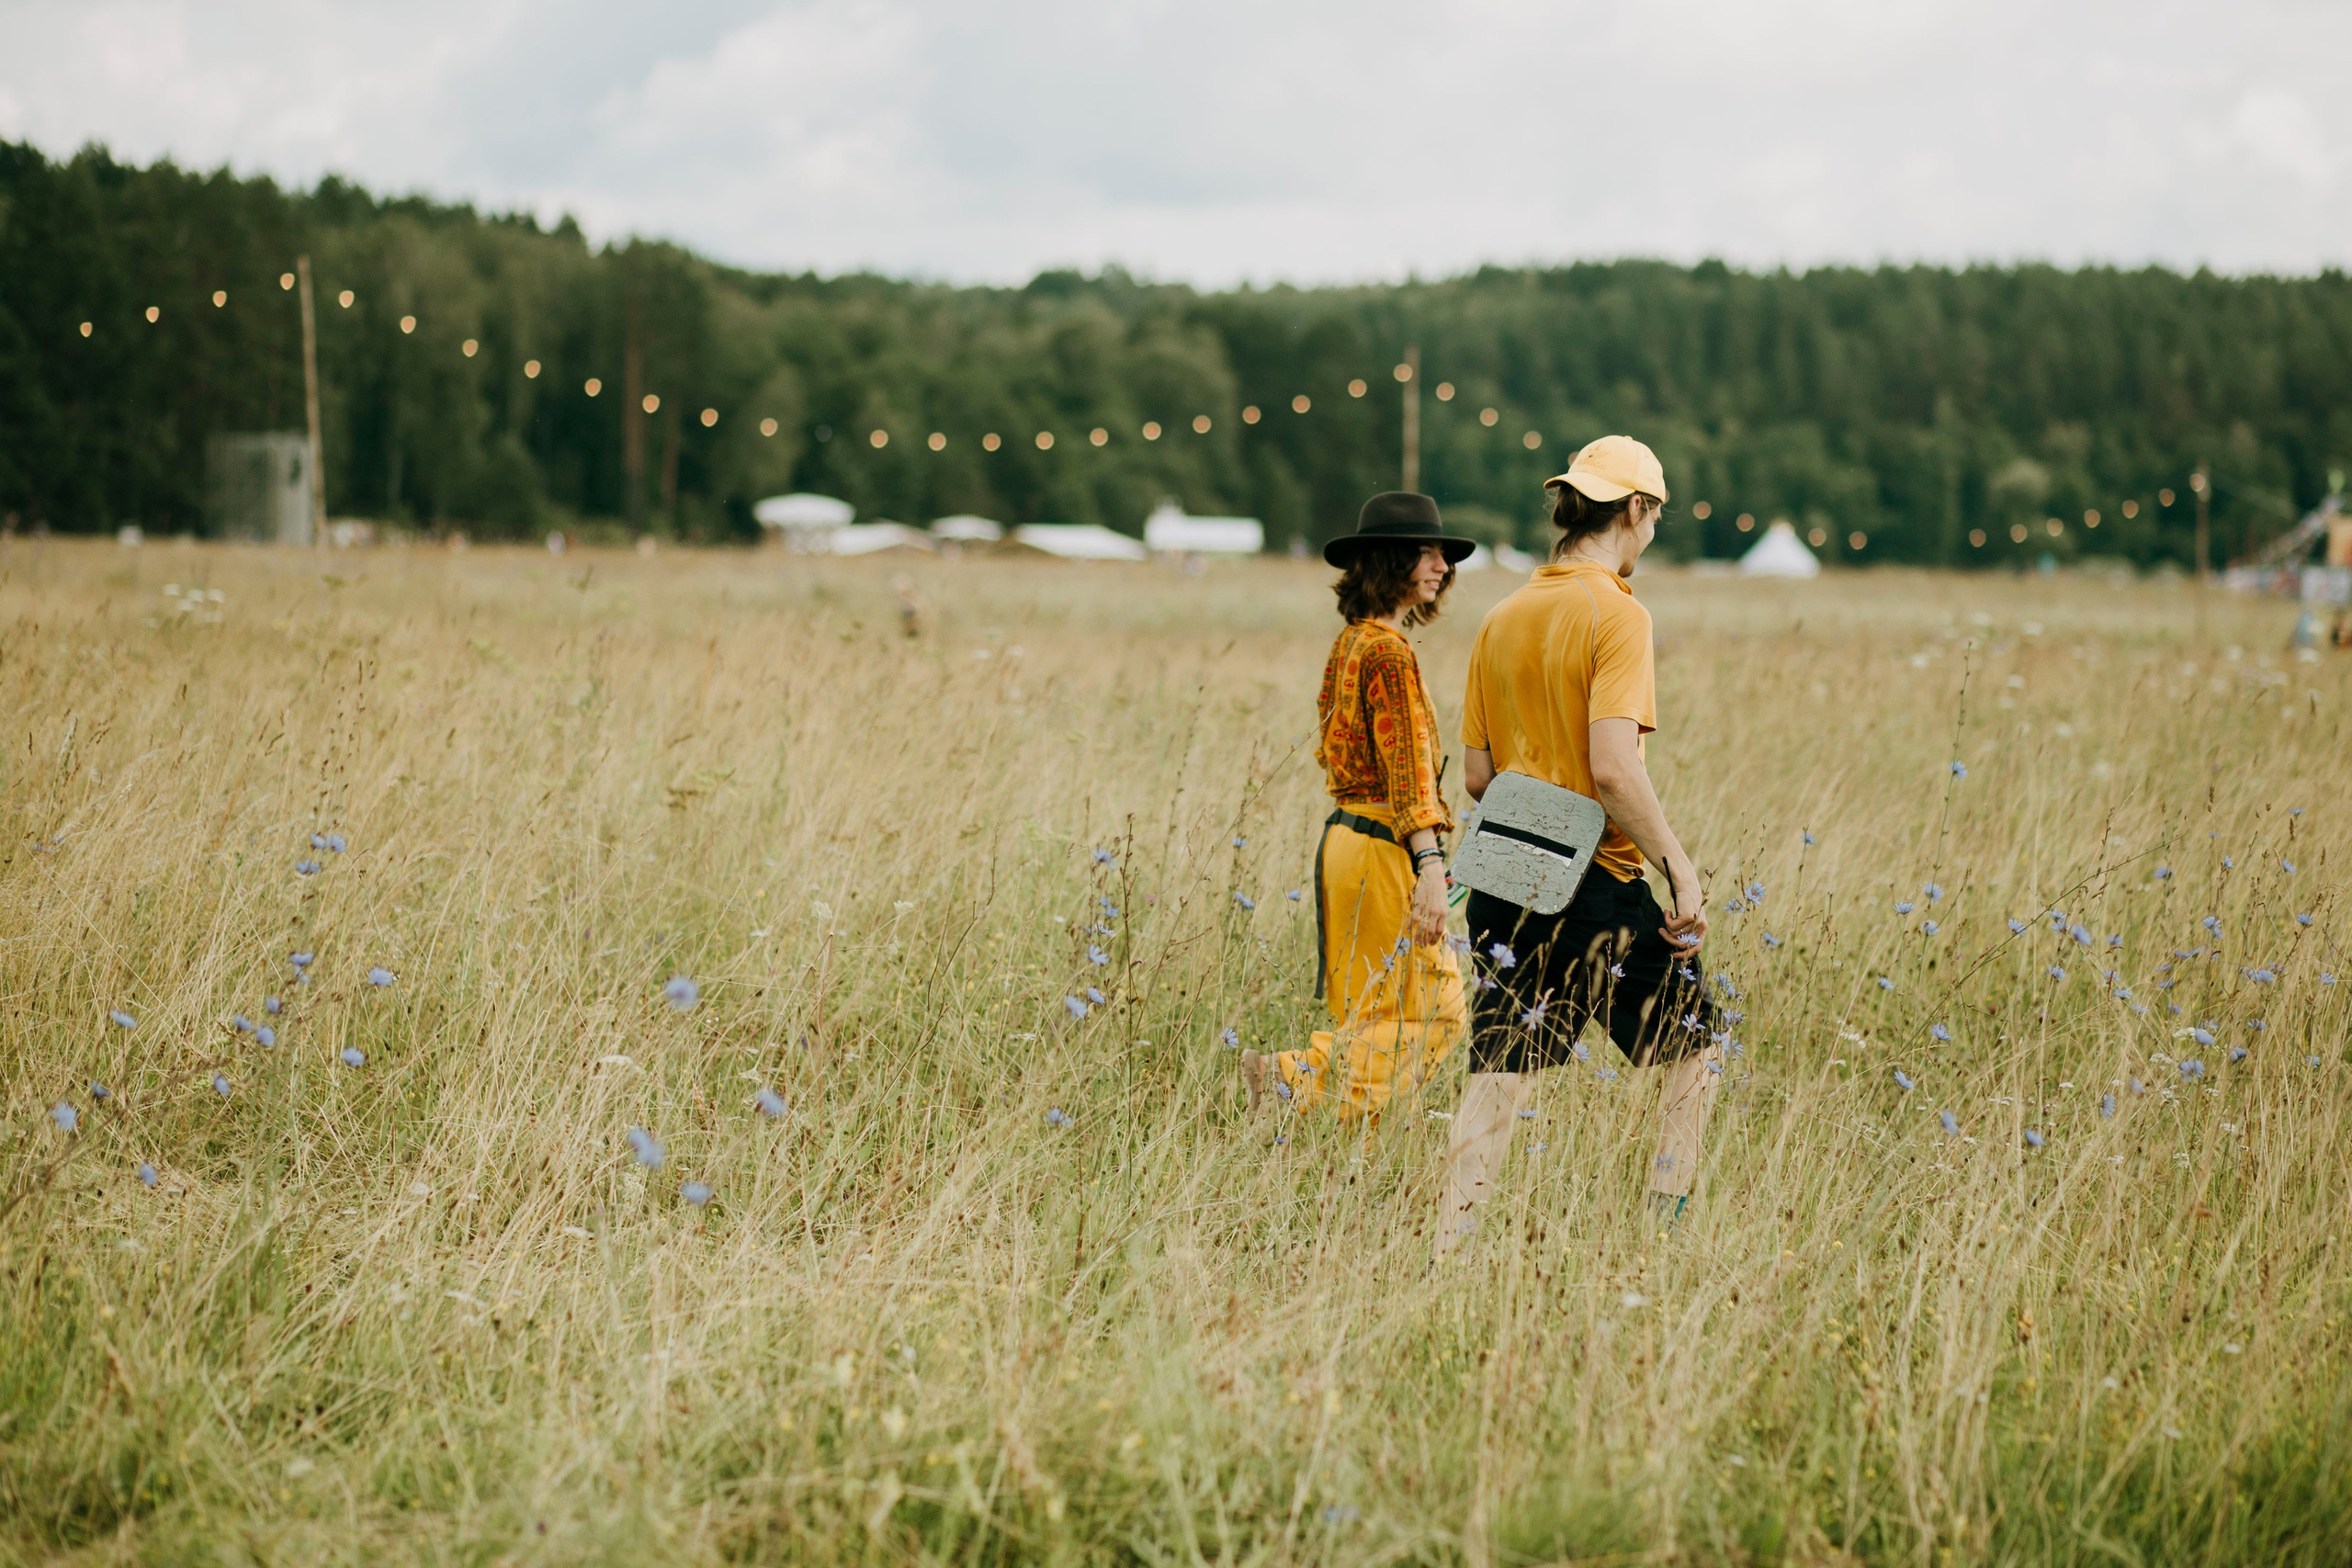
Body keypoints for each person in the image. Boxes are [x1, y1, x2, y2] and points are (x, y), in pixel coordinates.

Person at [1437, 435, 1718, 1255]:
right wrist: (1678, 866)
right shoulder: (1619, 612)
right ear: (1635, 510)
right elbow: (1613, 769)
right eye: (1655, 513)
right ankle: (1663, 1237)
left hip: (1506, 880)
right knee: (1695, 1050)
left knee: (1497, 1073)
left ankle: (1448, 1250)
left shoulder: (1503, 615)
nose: (1654, 529)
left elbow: (1481, 778)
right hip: (1599, 880)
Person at [1242, 492, 1477, 1122]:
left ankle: (1348, 1149)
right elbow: (1406, 775)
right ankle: (1288, 1078)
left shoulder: (1350, 644)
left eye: (1442, 555)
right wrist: (1430, 865)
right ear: (1388, 559)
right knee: (1435, 1011)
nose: (1440, 566)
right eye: (1425, 552)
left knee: (1370, 1011)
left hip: (1344, 846)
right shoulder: (1389, 653)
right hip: (1384, 846)